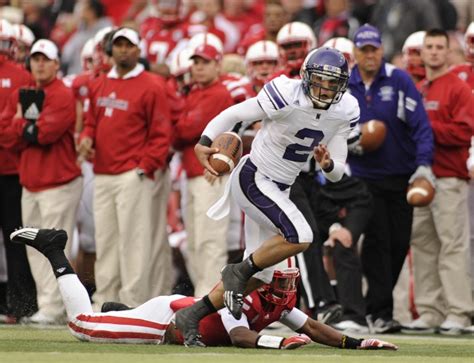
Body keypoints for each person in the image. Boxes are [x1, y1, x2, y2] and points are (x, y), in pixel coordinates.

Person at [175, 46, 360, 346]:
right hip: (255, 178)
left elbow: (338, 170)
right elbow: (237, 114)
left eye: (332, 83)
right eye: (319, 81)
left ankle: (192, 315)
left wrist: (327, 164)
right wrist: (204, 141)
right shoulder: (287, 93)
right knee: (301, 234)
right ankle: (237, 270)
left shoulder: (345, 110)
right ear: (305, 77)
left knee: (262, 277)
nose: (325, 89)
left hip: (280, 186)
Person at [10, 226, 397, 351]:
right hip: (167, 320)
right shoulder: (239, 291)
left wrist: (355, 343)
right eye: (281, 277)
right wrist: (278, 344)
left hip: (175, 317)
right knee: (82, 327)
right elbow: (240, 333)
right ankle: (54, 250)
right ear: (261, 277)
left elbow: (311, 326)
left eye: (289, 278)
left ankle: (120, 312)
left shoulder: (275, 299)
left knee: (107, 319)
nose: (286, 284)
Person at [347, 24, 434, 333]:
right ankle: (380, 311)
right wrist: (351, 143)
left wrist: (424, 165)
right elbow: (332, 129)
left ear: (381, 50)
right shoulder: (347, 84)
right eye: (364, 50)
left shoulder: (398, 80)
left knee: (399, 243)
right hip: (363, 177)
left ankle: (377, 306)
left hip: (400, 174)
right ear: (355, 53)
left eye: (374, 49)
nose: (370, 55)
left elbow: (420, 125)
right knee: (377, 242)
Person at [77, 28, 172, 308]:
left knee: (134, 242)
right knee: (105, 242)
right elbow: (91, 123)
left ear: (139, 49)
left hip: (133, 174)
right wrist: (85, 139)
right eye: (118, 45)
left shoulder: (153, 85)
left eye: (128, 45)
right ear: (110, 49)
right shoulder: (99, 84)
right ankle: (105, 300)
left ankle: (133, 302)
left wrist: (144, 168)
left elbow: (160, 134)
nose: (123, 50)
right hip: (103, 173)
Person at [0, 38, 83, 325]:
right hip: (31, 180)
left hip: (58, 180)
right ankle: (48, 305)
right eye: (36, 59)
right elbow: (8, 135)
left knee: (54, 247)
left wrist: (22, 125)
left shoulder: (61, 93)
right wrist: (26, 127)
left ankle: (56, 306)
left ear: (57, 64)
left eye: (46, 59)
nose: (40, 64)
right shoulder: (23, 92)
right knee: (33, 247)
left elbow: (45, 133)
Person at [402, 29, 473, 335]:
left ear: (448, 52)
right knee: (422, 246)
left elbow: (464, 131)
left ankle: (459, 311)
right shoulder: (418, 89)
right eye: (427, 47)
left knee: (452, 246)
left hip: (448, 177)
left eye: (438, 47)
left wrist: (426, 128)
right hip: (420, 178)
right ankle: (430, 310)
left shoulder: (458, 89)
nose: (432, 52)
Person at [0, 18, 37, 322]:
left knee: (15, 238)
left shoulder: (23, 77)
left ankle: (20, 303)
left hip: (12, 168)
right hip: (12, 165)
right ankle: (17, 304)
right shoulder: (22, 75)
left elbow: (22, 127)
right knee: (14, 239)